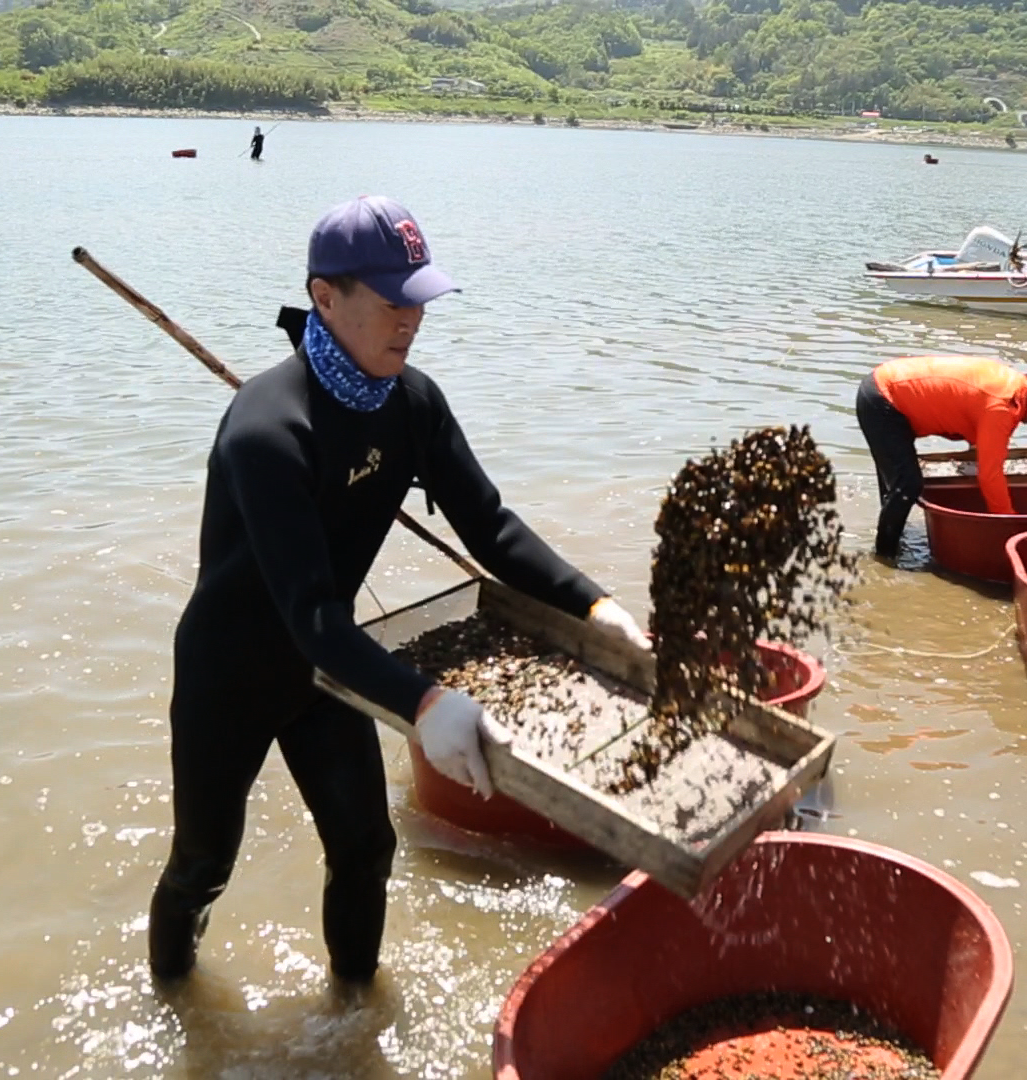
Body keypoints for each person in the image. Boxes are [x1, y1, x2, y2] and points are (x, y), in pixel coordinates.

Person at [148, 195, 650, 986]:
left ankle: (352, 1015)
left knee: (365, 847)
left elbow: (491, 527)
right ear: (325, 295)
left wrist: (596, 606)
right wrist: (427, 703)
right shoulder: (269, 428)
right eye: (392, 303)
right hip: (232, 674)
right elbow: (309, 612)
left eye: (419, 300)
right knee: (203, 866)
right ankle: (177, 1012)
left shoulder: (412, 403)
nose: (411, 320)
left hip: (326, 675)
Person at [855, 355, 1027, 558]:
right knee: (908, 485)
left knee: (896, 489)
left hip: (885, 387)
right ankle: (884, 559)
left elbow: (974, 419)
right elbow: (989, 477)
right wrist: (1010, 527)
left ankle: (891, 542)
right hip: (884, 399)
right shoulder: (1002, 405)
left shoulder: (1011, 385)